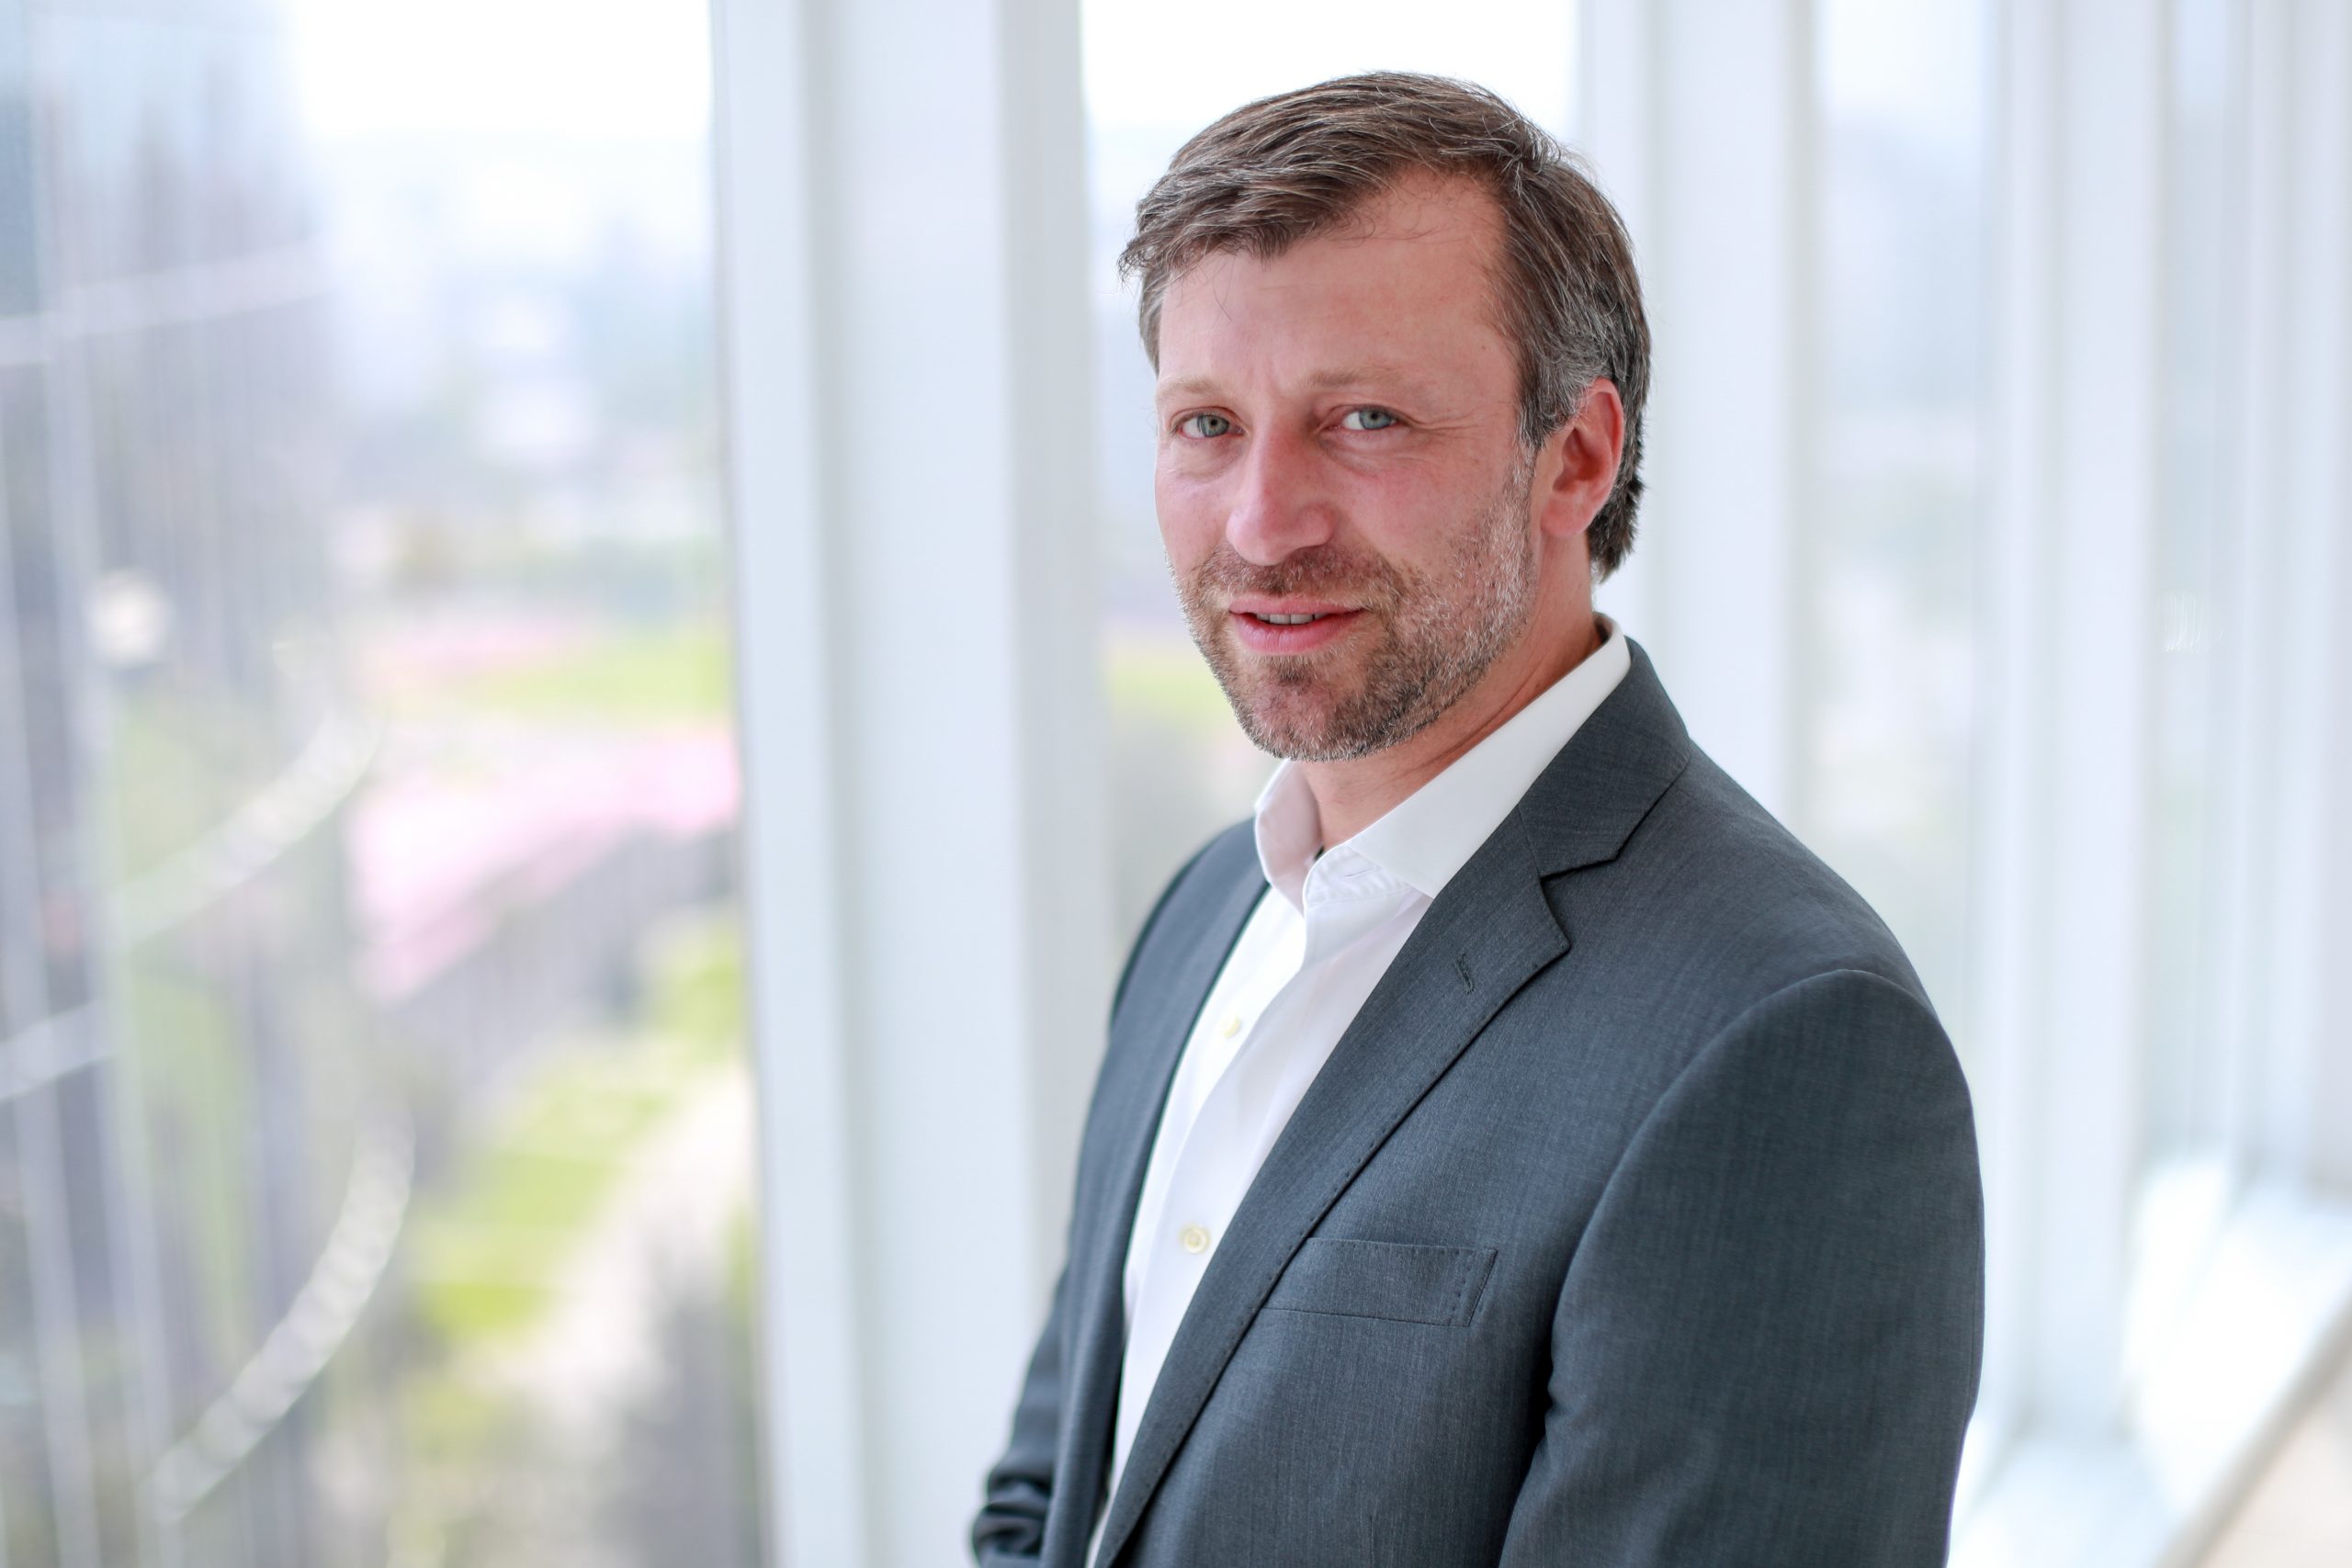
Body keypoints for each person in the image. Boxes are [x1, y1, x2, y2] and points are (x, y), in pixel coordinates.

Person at [973, 72, 1983, 1568]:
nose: (1260, 521)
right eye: (1207, 424)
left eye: (1364, 419)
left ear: (1575, 456)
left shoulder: (1785, 1039)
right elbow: (1058, 1501)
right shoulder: (1208, 912)